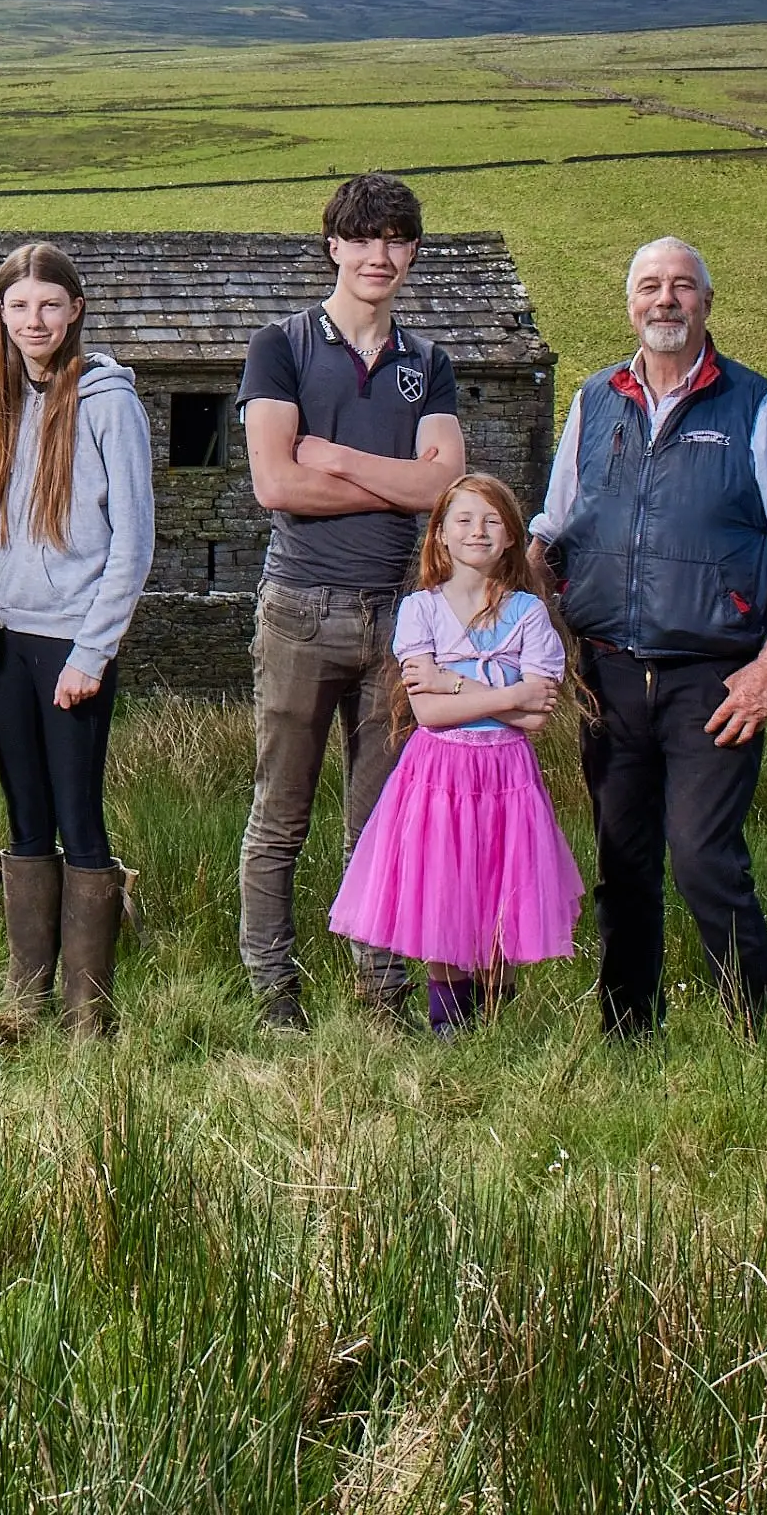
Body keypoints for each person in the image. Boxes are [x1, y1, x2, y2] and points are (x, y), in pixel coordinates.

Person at [528, 237, 767, 1039]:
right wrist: (543, 639)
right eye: (649, 287)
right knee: (622, 867)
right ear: (629, 301)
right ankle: (629, 1034)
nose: (665, 301)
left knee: (705, 861)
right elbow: (551, 530)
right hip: (610, 675)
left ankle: (760, 1035)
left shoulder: (760, 410)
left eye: (681, 287)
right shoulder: (594, 403)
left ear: (708, 301)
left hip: (715, 680)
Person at [232, 172, 468, 1033]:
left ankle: (382, 997)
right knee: (279, 816)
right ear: (333, 246)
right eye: (363, 238)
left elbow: (445, 489)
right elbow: (273, 482)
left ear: (412, 252)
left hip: (399, 618)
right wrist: (400, 483)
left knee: (381, 824)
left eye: (398, 239)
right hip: (299, 607)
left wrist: (337, 459)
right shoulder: (281, 344)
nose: (380, 255)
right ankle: (274, 997)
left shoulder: (430, 363)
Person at [0, 242, 157, 1035]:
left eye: (48, 305)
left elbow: (133, 542)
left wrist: (92, 651)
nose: (33, 320)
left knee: (79, 816)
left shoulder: (111, 403)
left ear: (75, 310)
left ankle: (87, 1016)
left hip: (71, 639)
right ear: (1, 317)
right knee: (24, 815)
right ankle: (26, 1001)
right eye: (17, 307)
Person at [328, 473, 586, 1033]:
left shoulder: (528, 613)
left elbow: (537, 716)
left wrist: (454, 681)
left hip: (506, 775)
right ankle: (449, 1031)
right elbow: (429, 714)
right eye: (464, 520)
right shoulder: (421, 610)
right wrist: (509, 693)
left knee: (500, 896)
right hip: (439, 773)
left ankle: (491, 1030)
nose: (478, 531)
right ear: (440, 534)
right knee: (445, 897)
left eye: (493, 520)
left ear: (513, 537)